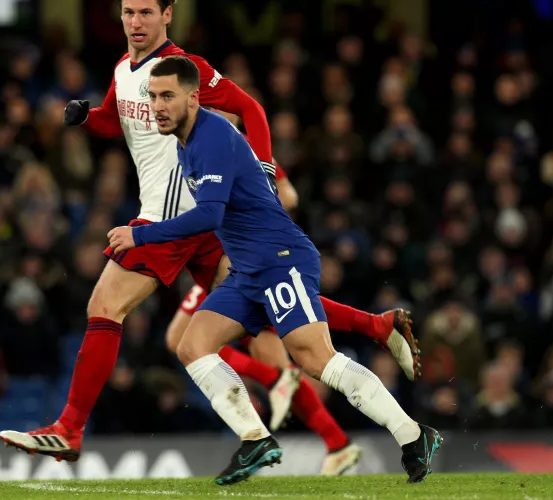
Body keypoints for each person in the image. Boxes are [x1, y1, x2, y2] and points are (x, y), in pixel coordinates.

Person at [0, 0, 419, 467]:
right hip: (203, 225)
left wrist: (265, 169)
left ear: (167, 15)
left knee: (105, 306)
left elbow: (251, 109)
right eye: (128, 13)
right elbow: (119, 120)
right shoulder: (124, 69)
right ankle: (371, 334)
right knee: (269, 316)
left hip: (175, 218)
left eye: (145, 12)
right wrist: (87, 118)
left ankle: (70, 429)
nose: (135, 22)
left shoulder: (185, 70)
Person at [106, 56, 442, 485]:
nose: (157, 105)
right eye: (152, 96)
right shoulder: (185, 141)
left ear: (193, 98)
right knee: (192, 345)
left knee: (316, 359)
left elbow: (209, 214)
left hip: (280, 258)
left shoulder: (212, 137)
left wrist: (143, 236)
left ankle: (414, 435)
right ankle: (255, 439)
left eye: (167, 96)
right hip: (247, 270)